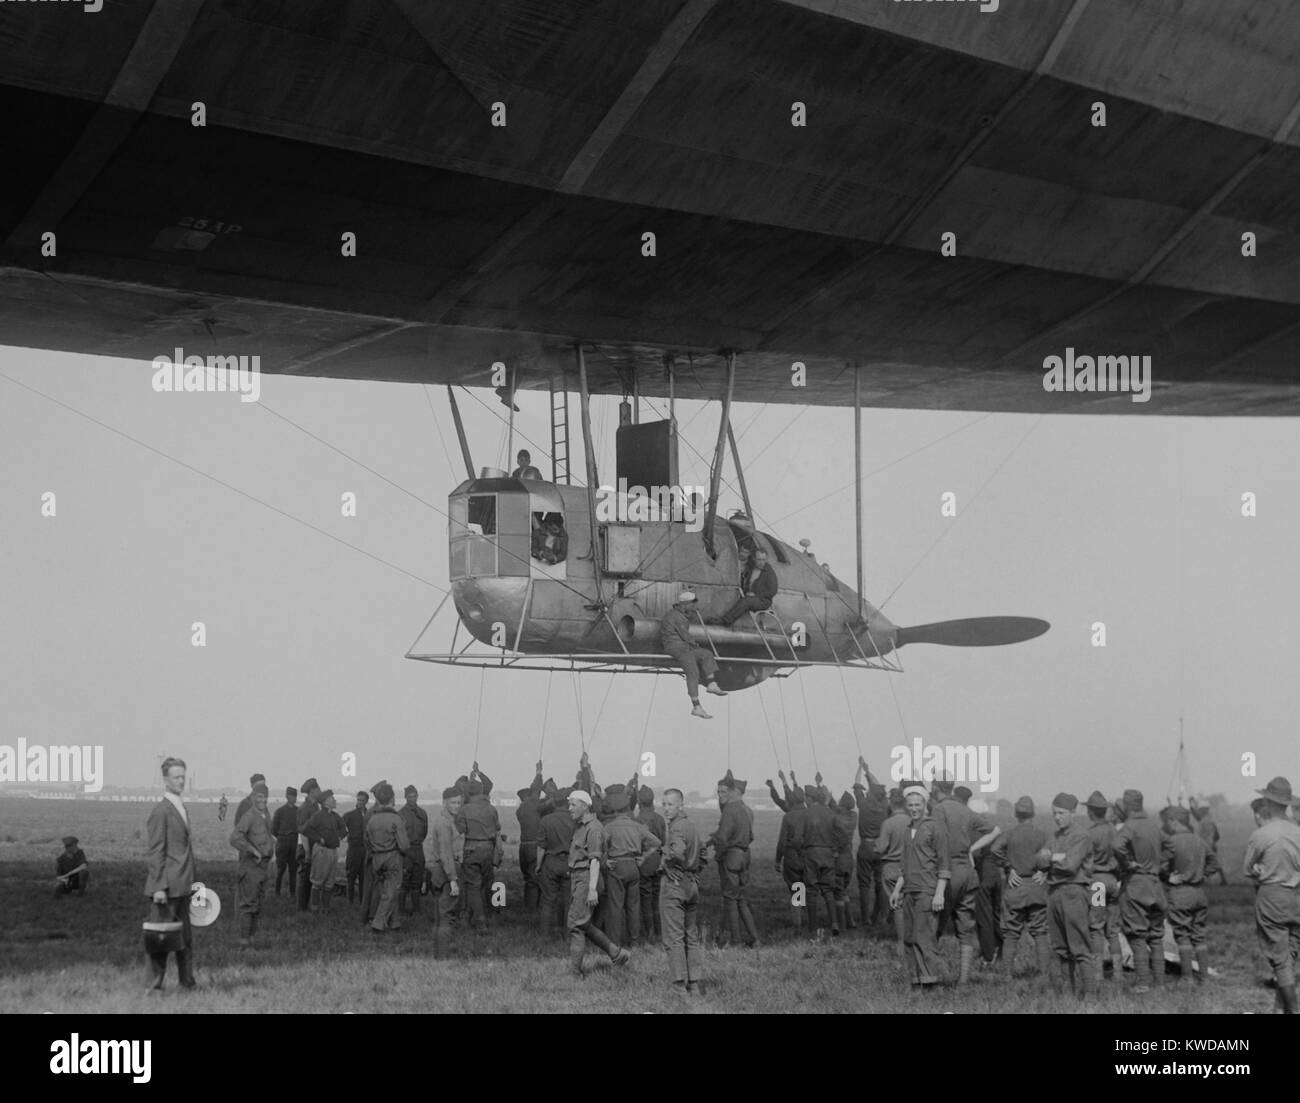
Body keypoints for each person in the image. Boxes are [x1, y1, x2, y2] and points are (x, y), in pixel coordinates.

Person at [932, 780, 1000, 985]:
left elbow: (932, 839)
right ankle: (963, 980)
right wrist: (971, 849)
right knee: (966, 929)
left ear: (936, 788)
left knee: (933, 925)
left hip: (946, 870)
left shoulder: (938, 809)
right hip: (968, 873)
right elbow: (995, 830)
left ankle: (931, 974)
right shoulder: (966, 811)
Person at [1243, 778, 1300, 1014]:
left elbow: (1247, 869)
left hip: (1272, 897)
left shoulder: (1262, 834)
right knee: (1290, 954)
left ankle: (1293, 1010)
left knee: (1279, 959)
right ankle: (1280, 1009)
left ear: (1267, 802)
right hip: (1297, 897)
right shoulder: (1298, 831)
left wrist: (1260, 870)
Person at [143, 756, 197, 991]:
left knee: (185, 939)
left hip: (183, 885)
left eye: (183, 777)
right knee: (160, 940)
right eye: (176, 777)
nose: (181, 781)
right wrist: (158, 888)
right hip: (166, 888)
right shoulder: (161, 811)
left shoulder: (180, 806)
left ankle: (188, 983)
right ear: (165, 780)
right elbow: (156, 852)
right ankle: (153, 987)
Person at [566, 790, 631, 976]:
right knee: (583, 923)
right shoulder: (581, 826)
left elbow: (594, 860)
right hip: (580, 878)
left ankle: (574, 972)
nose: (569, 808)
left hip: (587, 879)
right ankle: (617, 954)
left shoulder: (593, 828)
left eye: (573, 804)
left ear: (585, 806)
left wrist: (592, 889)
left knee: (576, 925)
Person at [890, 785, 948, 989]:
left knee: (925, 938)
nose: (914, 808)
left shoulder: (934, 827)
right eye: (910, 805)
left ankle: (932, 982)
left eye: (917, 804)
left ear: (924, 805)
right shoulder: (907, 830)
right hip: (909, 891)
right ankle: (916, 981)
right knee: (909, 937)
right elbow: (904, 865)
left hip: (927, 890)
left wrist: (939, 893)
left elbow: (944, 863)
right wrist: (897, 889)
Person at [1114, 788, 1167, 993]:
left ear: (1127, 807)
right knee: (1156, 936)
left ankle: (1143, 982)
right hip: (1155, 884)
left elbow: (1117, 845)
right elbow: (1169, 846)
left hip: (1135, 884)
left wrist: (1128, 864)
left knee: (1137, 935)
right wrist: (1160, 865)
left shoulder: (1129, 826)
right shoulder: (1154, 826)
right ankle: (1160, 983)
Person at [1045, 793, 1096, 998]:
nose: (1057, 817)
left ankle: (1090, 996)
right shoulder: (1055, 836)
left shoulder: (1081, 835)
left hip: (1075, 892)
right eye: (1055, 813)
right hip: (1055, 893)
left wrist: (1051, 858)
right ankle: (1068, 996)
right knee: (1060, 948)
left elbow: (1070, 865)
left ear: (1073, 813)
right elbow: (1038, 859)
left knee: (1080, 947)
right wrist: (1053, 858)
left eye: (1062, 813)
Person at [991, 796, 1049, 976]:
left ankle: (1007, 976)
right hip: (1036, 886)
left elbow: (994, 849)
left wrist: (1008, 867)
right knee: (1040, 933)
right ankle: (1044, 975)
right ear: (1033, 813)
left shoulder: (1009, 834)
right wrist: (1044, 870)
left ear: (1016, 814)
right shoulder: (1041, 834)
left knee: (1011, 934)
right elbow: (1050, 854)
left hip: (1015, 887)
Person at [1162, 803, 1218, 983]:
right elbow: (1214, 864)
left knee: (1182, 935)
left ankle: (1186, 977)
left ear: (1173, 822)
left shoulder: (1171, 842)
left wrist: (1168, 877)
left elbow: (1160, 866)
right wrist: (1201, 874)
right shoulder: (1199, 840)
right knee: (1199, 936)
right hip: (1199, 893)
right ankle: (1204, 976)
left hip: (1180, 893)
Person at [660, 788, 705, 997]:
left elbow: (676, 851)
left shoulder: (676, 828)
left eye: (670, 804)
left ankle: (679, 985)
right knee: (691, 935)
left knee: (674, 937)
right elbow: (703, 853)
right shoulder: (692, 826)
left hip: (675, 885)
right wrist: (694, 871)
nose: (666, 809)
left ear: (681, 805)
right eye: (664, 804)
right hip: (691, 884)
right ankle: (694, 984)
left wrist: (666, 861)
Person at [602, 790, 661, 946]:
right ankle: (634, 940)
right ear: (628, 809)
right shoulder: (638, 826)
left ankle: (615, 941)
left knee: (615, 906)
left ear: (615, 810)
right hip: (634, 866)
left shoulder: (610, 827)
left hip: (616, 866)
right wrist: (644, 856)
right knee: (633, 906)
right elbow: (656, 843)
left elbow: (600, 846)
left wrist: (604, 860)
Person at [707, 770, 758, 947]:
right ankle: (754, 938)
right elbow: (749, 836)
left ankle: (736, 941)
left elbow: (722, 837)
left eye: (723, 792)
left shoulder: (730, 809)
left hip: (731, 857)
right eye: (718, 792)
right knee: (742, 899)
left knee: (730, 899)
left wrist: (714, 847)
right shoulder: (746, 810)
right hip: (745, 856)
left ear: (731, 792)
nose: (720, 795)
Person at [659, 591, 727, 719]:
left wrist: (695, 647)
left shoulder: (681, 615)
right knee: (693, 671)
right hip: (674, 647)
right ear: (685, 604)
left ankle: (712, 684)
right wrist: (695, 645)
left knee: (706, 654)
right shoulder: (676, 616)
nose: (695, 607)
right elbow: (685, 635)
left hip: (683, 647)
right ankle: (696, 707)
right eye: (693, 604)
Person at [1084, 789, 1122, 982]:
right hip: (1114, 882)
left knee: (1096, 927)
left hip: (1097, 882)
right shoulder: (1114, 831)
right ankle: (1118, 973)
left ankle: (1097, 973)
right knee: (1113, 930)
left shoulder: (1090, 834)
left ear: (1091, 811)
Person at [229, 782, 274, 947]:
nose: (263, 800)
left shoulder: (265, 815)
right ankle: (244, 943)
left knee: (258, 904)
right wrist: (252, 850)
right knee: (248, 905)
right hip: (251, 867)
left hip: (262, 867)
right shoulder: (249, 815)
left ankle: (252, 940)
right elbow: (234, 838)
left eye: (265, 797)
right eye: (260, 797)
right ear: (253, 797)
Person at [456, 775, 501, 933]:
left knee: (473, 886)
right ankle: (480, 915)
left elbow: (460, 829)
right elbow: (497, 828)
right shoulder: (491, 809)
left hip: (471, 848)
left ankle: (480, 920)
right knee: (486, 883)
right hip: (488, 849)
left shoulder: (465, 809)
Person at [365, 783, 409, 933]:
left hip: (376, 858)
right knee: (391, 892)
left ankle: (395, 922)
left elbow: (367, 841)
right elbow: (404, 845)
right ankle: (378, 923)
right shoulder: (396, 819)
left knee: (386, 890)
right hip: (393, 857)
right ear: (392, 798)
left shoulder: (372, 818)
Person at [426, 787, 464, 957]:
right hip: (446, 872)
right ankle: (443, 957)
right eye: (453, 803)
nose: (457, 806)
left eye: (459, 802)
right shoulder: (444, 824)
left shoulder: (444, 821)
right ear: (444, 803)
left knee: (441, 916)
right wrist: (453, 879)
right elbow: (445, 853)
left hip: (440, 872)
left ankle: (439, 955)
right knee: (446, 916)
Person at [852, 758, 889, 929]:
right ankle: (880, 916)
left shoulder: (864, 804)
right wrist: (868, 771)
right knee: (880, 884)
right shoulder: (884, 805)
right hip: (881, 848)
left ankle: (865, 918)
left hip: (866, 847)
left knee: (864, 885)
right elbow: (877, 786)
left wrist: (860, 769)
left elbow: (856, 784)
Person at [802, 782, 840, 936]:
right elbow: (841, 833)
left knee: (811, 891)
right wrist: (836, 848)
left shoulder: (807, 813)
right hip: (828, 854)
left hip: (811, 853)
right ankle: (835, 922)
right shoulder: (831, 813)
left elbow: (799, 836)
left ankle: (812, 927)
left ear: (811, 798)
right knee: (828, 890)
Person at [875, 789, 909, 955]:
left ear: (891, 803)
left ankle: (902, 944)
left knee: (898, 907)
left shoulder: (888, 823)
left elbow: (881, 847)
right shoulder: (913, 821)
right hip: (911, 867)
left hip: (891, 867)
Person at [710, 547, 778, 627]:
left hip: (763, 601)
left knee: (746, 601)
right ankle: (718, 617)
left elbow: (772, 591)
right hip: (750, 596)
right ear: (754, 559)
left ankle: (725, 621)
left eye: (763, 560)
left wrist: (756, 595)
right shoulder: (752, 568)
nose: (761, 562)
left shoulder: (769, 572)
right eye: (759, 559)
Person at [536, 792, 575, 934]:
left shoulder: (546, 820)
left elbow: (541, 847)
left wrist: (538, 866)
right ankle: (567, 933)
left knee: (548, 900)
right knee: (568, 900)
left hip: (550, 861)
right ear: (567, 803)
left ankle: (545, 933)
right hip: (569, 862)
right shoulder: (574, 820)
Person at [773, 782, 810, 931]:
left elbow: (782, 842)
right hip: (809, 858)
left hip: (792, 858)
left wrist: (777, 860)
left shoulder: (789, 817)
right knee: (807, 889)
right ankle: (809, 921)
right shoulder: (810, 813)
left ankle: (798, 923)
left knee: (796, 889)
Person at [634, 786, 666, 944]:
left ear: (639, 801)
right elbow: (664, 843)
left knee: (646, 898)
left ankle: (650, 933)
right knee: (656, 898)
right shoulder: (660, 819)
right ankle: (659, 931)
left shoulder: (638, 820)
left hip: (644, 861)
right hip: (658, 861)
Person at [302, 790, 343, 910]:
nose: (334, 801)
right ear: (325, 803)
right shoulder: (318, 816)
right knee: (317, 881)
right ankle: (314, 908)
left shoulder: (335, 816)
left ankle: (326, 908)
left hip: (333, 851)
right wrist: (319, 838)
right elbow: (306, 829)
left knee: (330, 882)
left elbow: (344, 829)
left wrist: (338, 836)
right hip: (321, 851)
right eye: (332, 799)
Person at [515, 762, 545, 912]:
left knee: (528, 878)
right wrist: (539, 772)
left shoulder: (520, 810)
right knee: (534, 878)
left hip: (523, 847)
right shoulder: (532, 804)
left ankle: (528, 904)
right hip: (534, 846)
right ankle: (533, 909)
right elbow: (536, 789)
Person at [398, 785, 429, 916]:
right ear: (405, 797)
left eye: (414, 796)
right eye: (410, 796)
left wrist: (418, 841)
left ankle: (416, 909)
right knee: (404, 880)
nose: (412, 799)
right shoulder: (400, 814)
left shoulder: (422, 813)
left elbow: (425, 831)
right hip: (406, 850)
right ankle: (401, 910)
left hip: (418, 848)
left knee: (418, 878)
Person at [831, 791, 858, 932]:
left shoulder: (837, 818)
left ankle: (841, 925)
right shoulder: (853, 816)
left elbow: (836, 815)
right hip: (849, 857)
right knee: (844, 891)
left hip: (839, 857)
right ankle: (851, 921)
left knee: (838, 892)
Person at [296, 778, 322, 912]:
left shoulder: (315, 806)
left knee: (311, 877)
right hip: (305, 846)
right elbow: (303, 832)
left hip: (313, 845)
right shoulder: (305, 808)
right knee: (305, 877)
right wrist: (307, 852)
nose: (320, 791)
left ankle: (308, 905)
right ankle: (301, 907)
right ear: (312, 791)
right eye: (318, 789)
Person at [1190, 797, 1228, 885]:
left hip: (1204, 846)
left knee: (1200, 863)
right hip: (1211, 845)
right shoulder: (1209, 821)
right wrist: (1191, 803)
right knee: (1215, 863)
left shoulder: (1203, 821)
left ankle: (1198, 880)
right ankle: (1223, 880)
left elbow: (1196, 815)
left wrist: (1191, 804)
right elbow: (1217, 836)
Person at [341, 791, 369, 903]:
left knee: (364, 877)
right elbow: (340, 827)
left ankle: (363, 901)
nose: (360, 802)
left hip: (366, 849)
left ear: (366, 801)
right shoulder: (350, 815)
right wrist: (346, 836)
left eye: (362, 800)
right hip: (353, 848)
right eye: (358, 800)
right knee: (351, 876)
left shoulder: (370, 814)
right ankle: (350, 901)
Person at [271, 787, 299, 896]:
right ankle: (277, 892)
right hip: (282, 843)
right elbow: (273, 830)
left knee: (293, 870)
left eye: (295, 796)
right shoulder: (279, 811)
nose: (294, 798)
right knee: (280, 869)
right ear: (287, 797)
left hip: (294, 843)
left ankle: (292, 893)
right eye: (292, 796)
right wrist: (282, 836)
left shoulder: (298, 811)